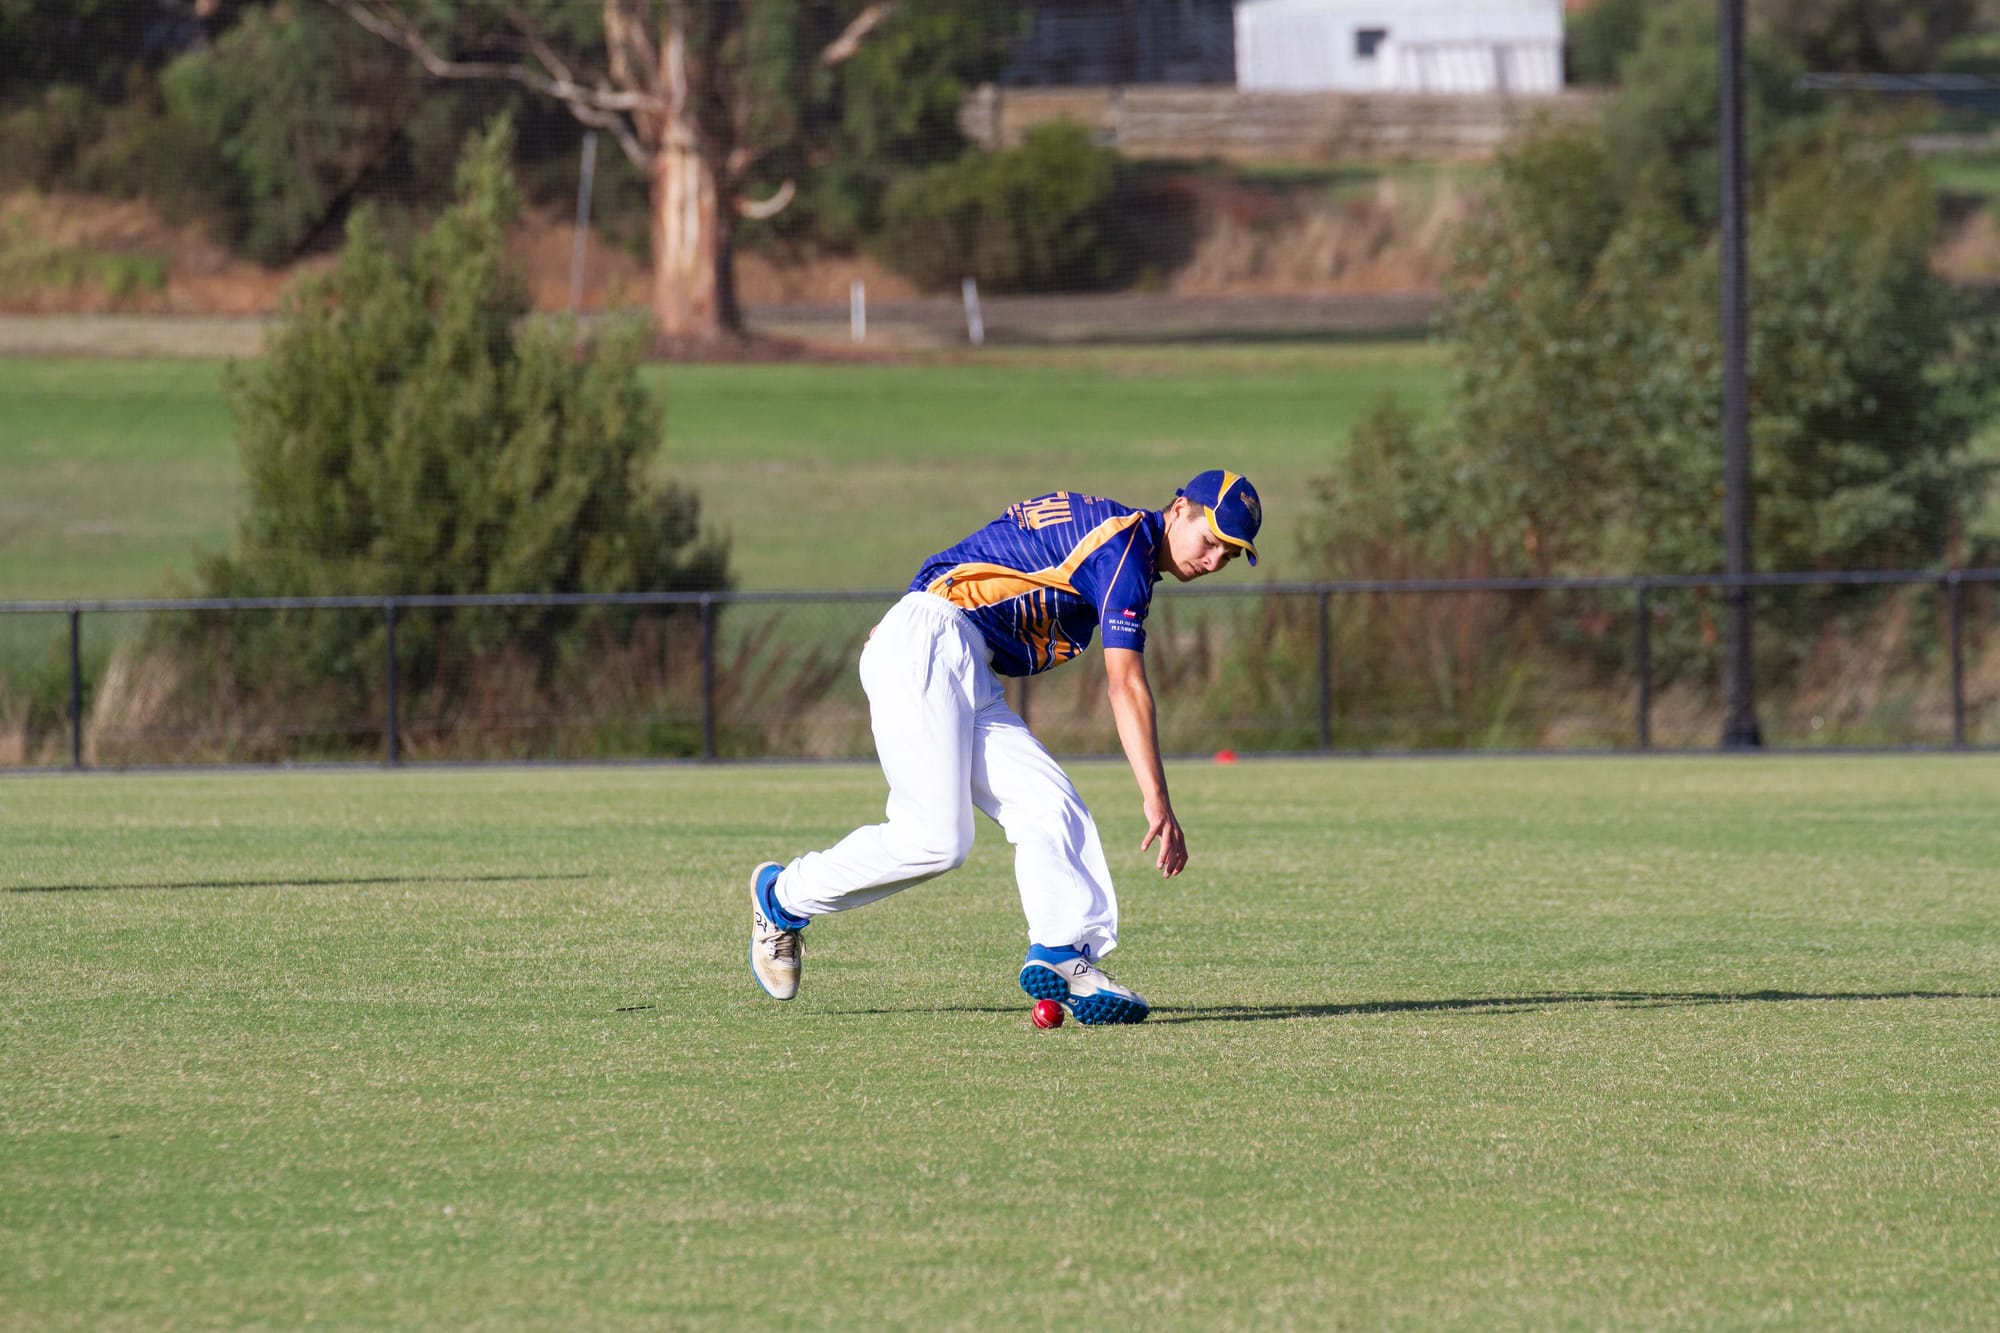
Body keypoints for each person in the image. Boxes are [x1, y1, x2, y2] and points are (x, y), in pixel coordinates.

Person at [747, 470, 1262, 1025]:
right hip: (932, 646)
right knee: (935, 840)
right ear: (1179, 509)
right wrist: (1157, 799)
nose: (1214, 560)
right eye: (1210, 540)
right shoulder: (1125, 552)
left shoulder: (1115, 537)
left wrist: (915, 606)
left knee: (1049, 807)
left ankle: (1062, 949)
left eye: (1229, 554)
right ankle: (782, 897)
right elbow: (1126, 686)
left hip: (957, 656)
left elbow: (992, 543)